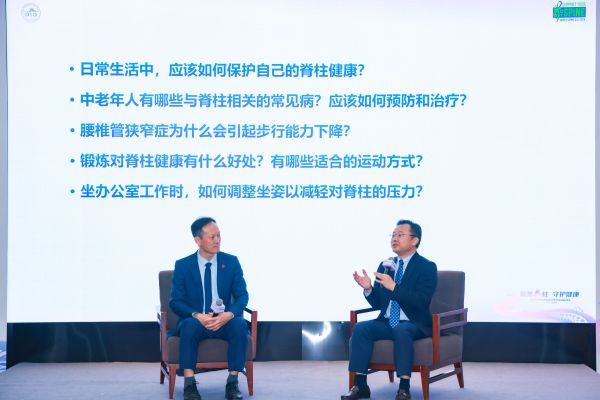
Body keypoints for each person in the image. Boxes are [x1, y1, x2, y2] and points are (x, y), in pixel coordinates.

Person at [342, 220, 437, 400]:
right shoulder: (386, 265)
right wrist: (369, 289)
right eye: (393, 235)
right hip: (386, 322)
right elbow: (379, 303)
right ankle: (360, 385)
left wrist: (394, 287)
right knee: (361, 328)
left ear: (414, 240)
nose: (394, 239)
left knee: (402, 329)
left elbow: (421, 301)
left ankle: (404, 388)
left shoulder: (427, 267)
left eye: (400, 235)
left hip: (414, 323)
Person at [170, 217, 249, 400]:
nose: (217, 240)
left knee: (239, 324)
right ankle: (190, 384)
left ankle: (232, 383)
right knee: (189, 325)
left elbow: (242, 295)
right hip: (197, 320)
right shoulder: (183, 265)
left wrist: (229, 314)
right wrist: (197, 315)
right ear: (198, 240)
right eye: (212, 237)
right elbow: (176, 301)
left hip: (224, 320)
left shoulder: (231, 262)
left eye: (219, 236)